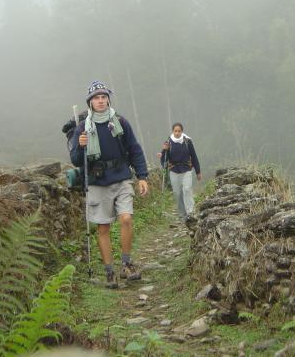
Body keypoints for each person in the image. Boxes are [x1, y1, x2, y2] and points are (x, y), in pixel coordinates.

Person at [70, 81, 149, 289]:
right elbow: (77, 160)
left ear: (108, 99)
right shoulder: (82, 128)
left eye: (104, 97)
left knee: (126, 219)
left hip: (122, 177)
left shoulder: (120, 121)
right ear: (90, 102)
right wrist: (80, 146)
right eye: (96, 98)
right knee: (103, 227)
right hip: (97, 181)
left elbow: (134, 149)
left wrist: (142, 176)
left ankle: (126, 264)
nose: (101, 101)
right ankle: (109, 271)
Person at [157, 123, 201, 222]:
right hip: (174, 171)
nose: (177, 133)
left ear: (182, 131)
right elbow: (164, 161)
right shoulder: (168, 142)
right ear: (173, 131)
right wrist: (164, 151)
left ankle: (191, 213)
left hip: (186, 170)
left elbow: (194, 156)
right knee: (177, 193)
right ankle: (182, 215)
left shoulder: (187, 141)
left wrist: (198, 171)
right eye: (175, 131)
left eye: (179, 131)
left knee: (187, 189)